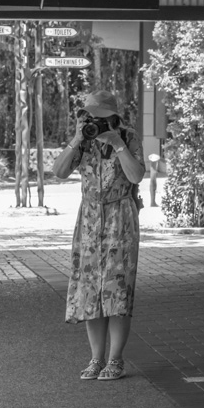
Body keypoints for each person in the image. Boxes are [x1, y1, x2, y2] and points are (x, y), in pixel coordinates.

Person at [52, 90, 145, 381]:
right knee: (90, 289)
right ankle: (96, 358)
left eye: (103, 118)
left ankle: (115, 360)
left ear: (115, 117)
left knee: (117, 289)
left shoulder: (128, 136)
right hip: (90, 217)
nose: (97, 122)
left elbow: (136, 176)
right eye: (93, 116)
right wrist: (77, 140)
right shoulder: (84, 137)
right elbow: (59, 172)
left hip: (121, 217)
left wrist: (117, 144)